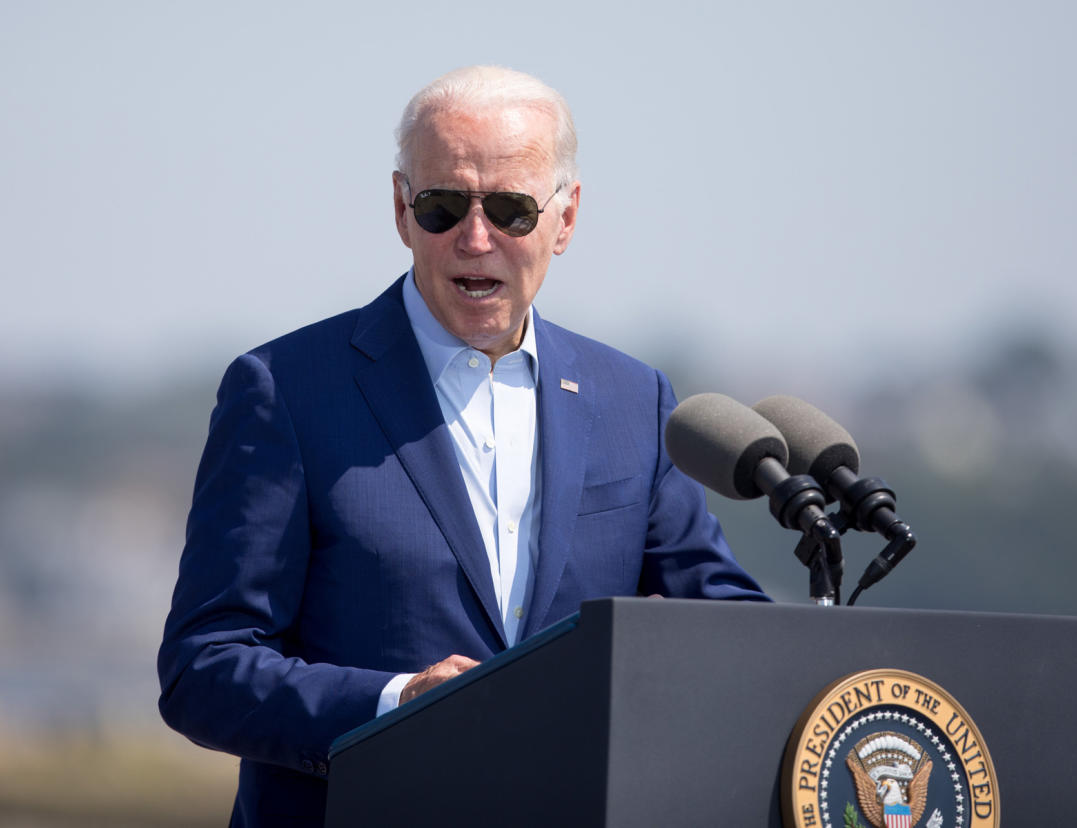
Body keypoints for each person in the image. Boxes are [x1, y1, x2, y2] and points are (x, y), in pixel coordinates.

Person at [158, 65, 769, 827]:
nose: (474, 238)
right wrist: (394, 703)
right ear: (400, 209)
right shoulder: (285, 389)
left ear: (566, 217)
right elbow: (203, 669)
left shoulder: (633, 402)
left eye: (512, 210)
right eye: (443, 206)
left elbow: (729, 630)